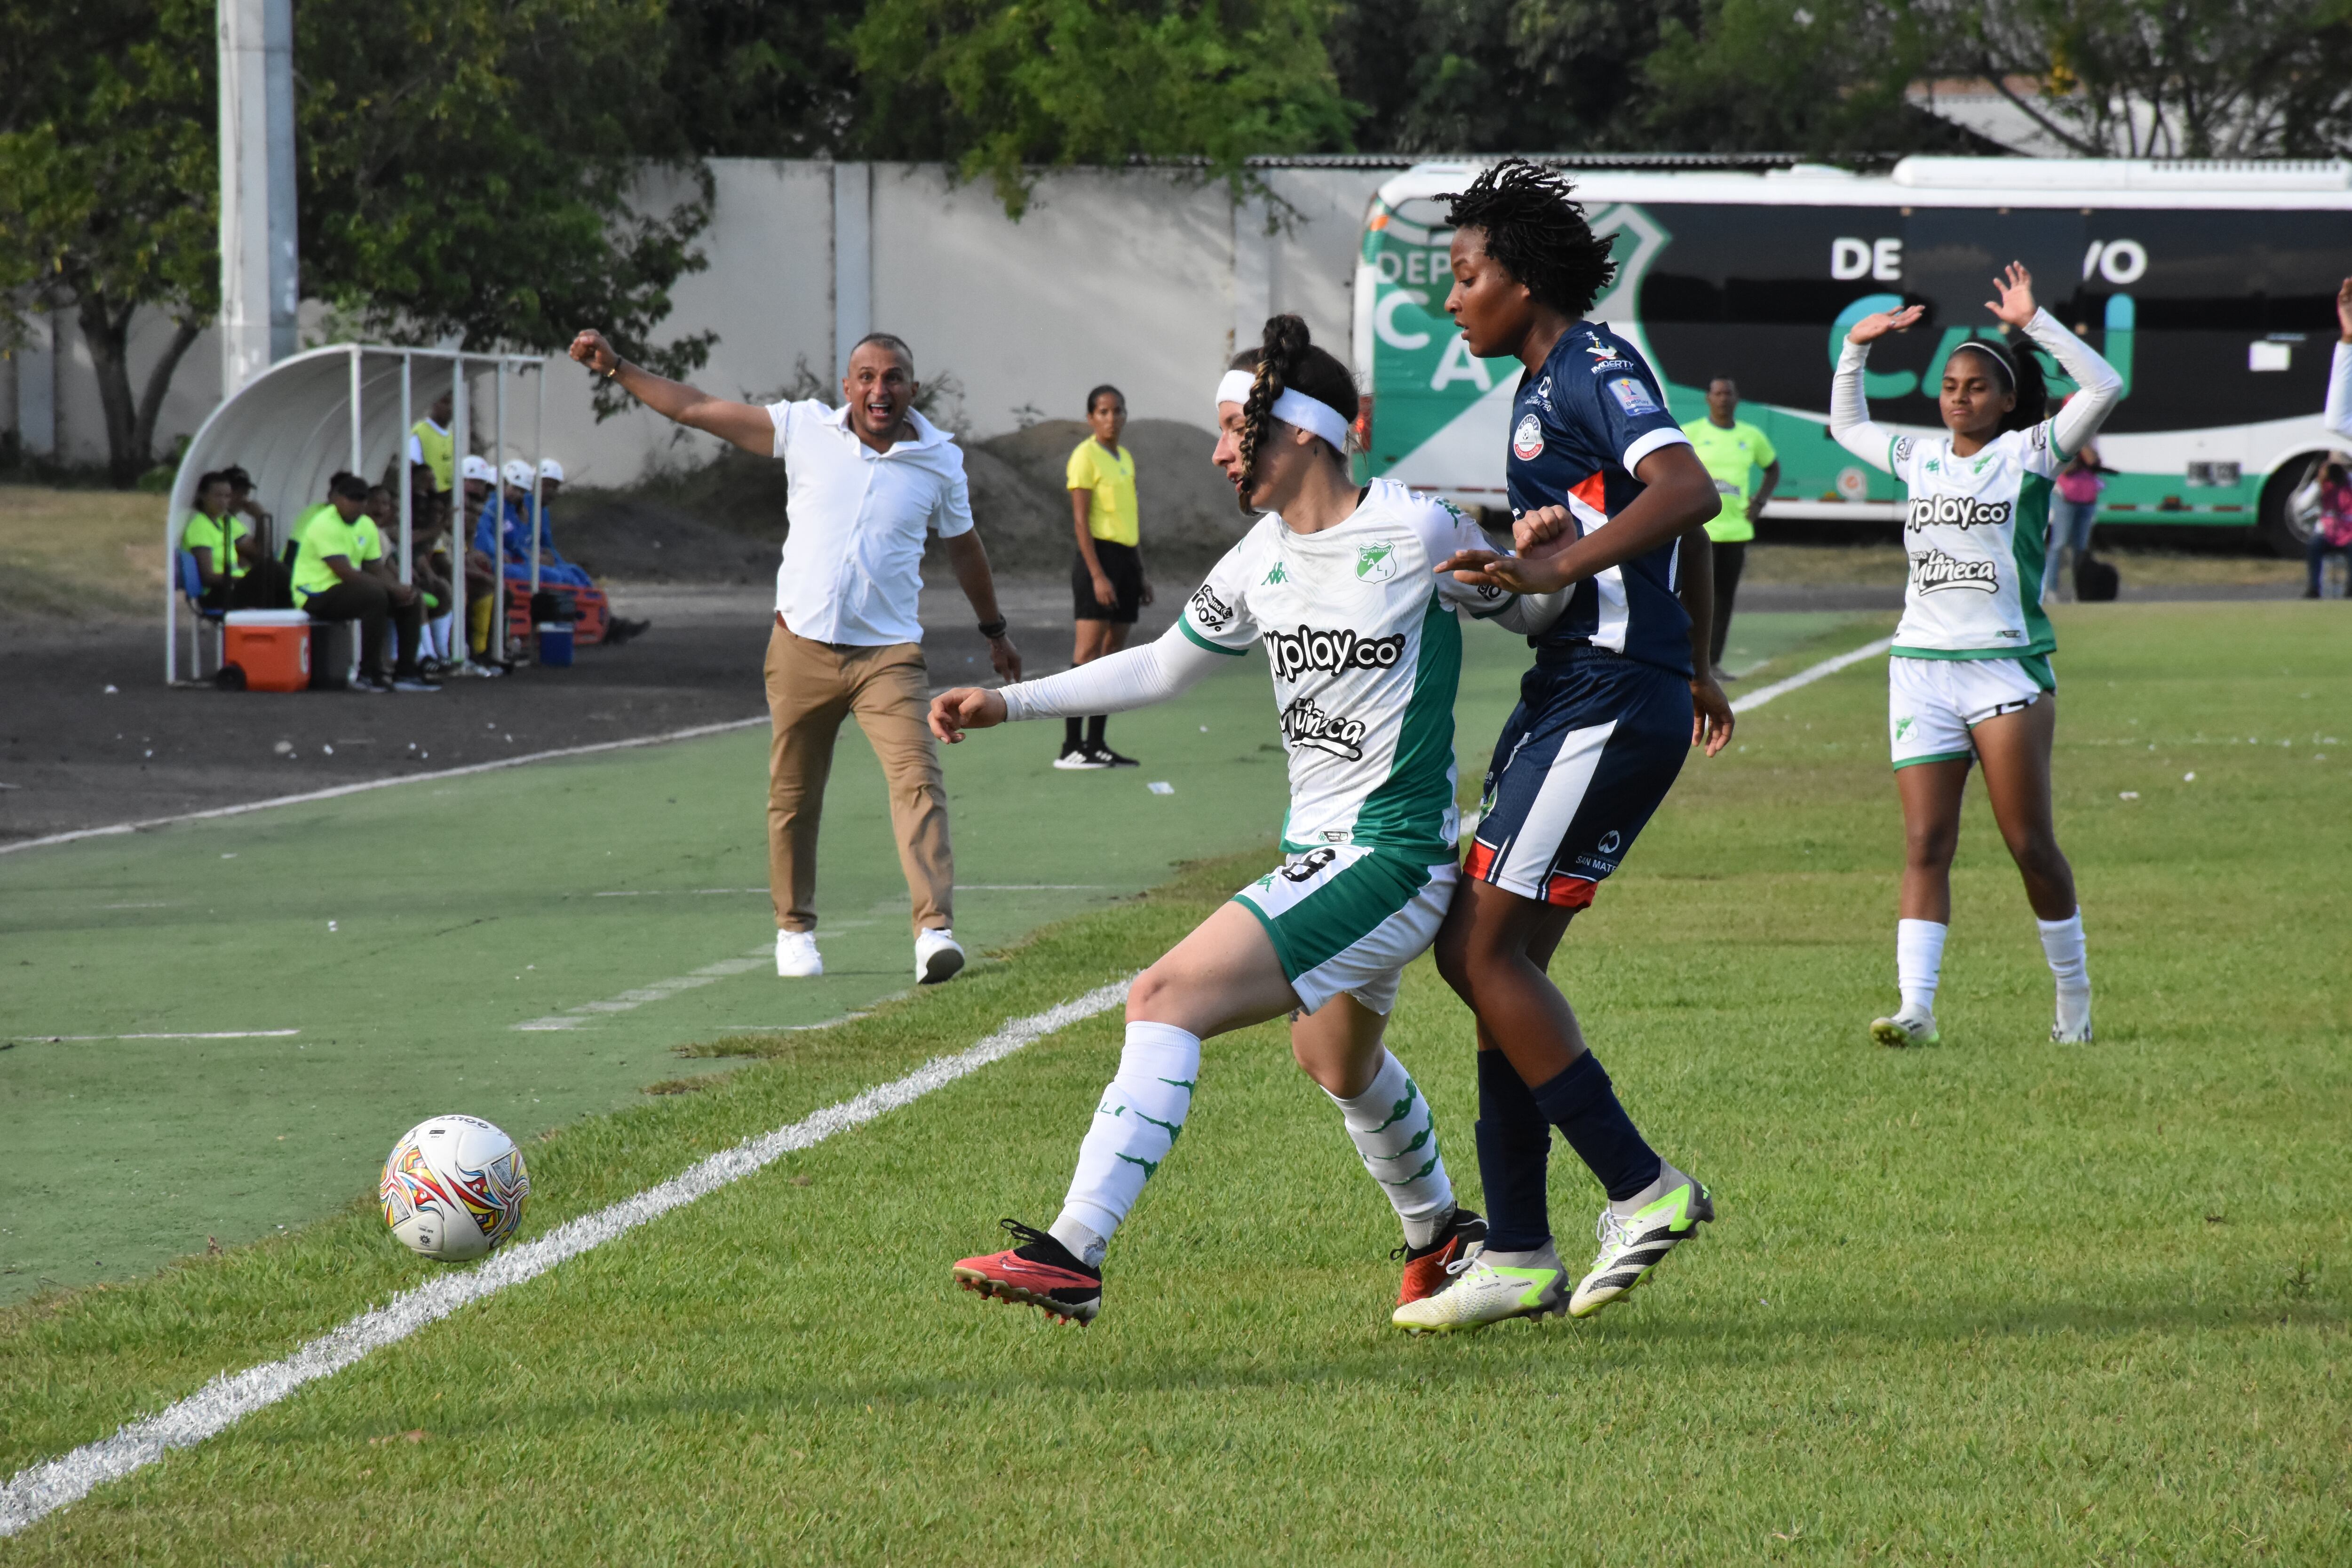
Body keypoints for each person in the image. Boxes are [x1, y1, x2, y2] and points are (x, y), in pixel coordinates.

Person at [934, 315, 1573, 1326]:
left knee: (1161, 995)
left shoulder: (1416, 526)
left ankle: (1073, 1251)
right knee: (1334, 1061)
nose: (1223, 450)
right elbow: (1157, 665)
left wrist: (1548, 557)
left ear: (1304, 433)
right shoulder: (1259, 556)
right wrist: (1008, 702)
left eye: (1237, 428)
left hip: (1390, 856)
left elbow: (1531, 613)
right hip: (1322, 854)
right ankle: (1443, 1233)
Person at [1388, 159, 1735, 1334]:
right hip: (1585, 687)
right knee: (1497, 969)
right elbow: (1640, 519)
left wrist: (1548, 565)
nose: (1453, 301)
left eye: (1466, 276)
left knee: (1477, 956)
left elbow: (1685, 490)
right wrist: (1669, 638)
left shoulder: (1591, 363)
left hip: (1600, 699)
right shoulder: (1542, 390)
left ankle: (1643, 1187)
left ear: (1521, 279)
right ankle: (1521, 1252)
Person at [568, 325, 1020, 985]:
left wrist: (994, 629)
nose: (879, 389)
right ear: (847, 387)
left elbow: (965, 549)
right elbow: (695, 409)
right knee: (794, 795)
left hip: (887, 658)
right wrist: (618, 370)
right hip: (800, 648)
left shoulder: (940, 461)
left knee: (918, 781)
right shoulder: (805, 429)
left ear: (913, 389)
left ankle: (934, 931)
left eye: (893, 377)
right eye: (866, 377)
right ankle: (795, 930)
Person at [1827, 262, 2122, 1050]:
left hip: (2005, 668)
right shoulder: (1921, 457)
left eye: (1976, 386)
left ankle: (2074, 997)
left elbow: (2104, 386)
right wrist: (1855, 350)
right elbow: (1848, 430)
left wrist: (2035, 323)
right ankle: (1916, 1007)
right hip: (1920, 667)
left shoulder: (2030, 453)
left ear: (2007, 400)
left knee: (2029, 844)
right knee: (1927, 843)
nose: (1959, 395)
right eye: (1952, 384)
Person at [1057, 385, 1151, 768]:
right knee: (1086, 656)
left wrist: (1140, 572)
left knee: (1112, 658)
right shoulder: (1085, 457)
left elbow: (1129, 519)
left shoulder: (1125, 457)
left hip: (1127, 560)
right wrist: (1098, 575)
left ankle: (1097, 744)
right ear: (1090, 418)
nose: (1111, 418)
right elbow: (1081, 520)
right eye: (1103, 411)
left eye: (1118, 411)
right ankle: (1071, 747)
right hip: (1098, 559)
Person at [288, 472, 437, 692]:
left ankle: (406, 671)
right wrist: (389, 589)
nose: (356, 505)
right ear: (337, 499)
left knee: (411, 597)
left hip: (346, 590)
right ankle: (368, 672)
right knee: (374, 595)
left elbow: (375, 568)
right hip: (314, 593)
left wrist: (399, 589)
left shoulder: (366, 525)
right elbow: (346, 573)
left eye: (361, 499)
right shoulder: (324, 524)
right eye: (351, 499)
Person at [1681, 377, 1778, 681]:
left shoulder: (1751, 436)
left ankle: (1712, 663)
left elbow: (1772, 467)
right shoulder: (1691, 433)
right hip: (1700, 532)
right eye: (1718, 393)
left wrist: (1760, 501)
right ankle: (1684, 659)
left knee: (1723, 599)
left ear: (1737, 399)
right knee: (1691, 597)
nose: (1723, 399)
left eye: (1728, 394)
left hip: (1736, 531)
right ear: (1708, 399)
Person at [180, 470, 290, 610]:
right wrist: (247, 581)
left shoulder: (224, 521)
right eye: (218, 496)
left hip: (235, 587)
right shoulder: (199, 526)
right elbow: (208, 577)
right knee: (273, 569)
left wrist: (260, 519)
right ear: (203, 496)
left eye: (227, 497)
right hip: (219, 593)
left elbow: (258, 553)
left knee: (280, 593)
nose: (223, 502)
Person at [2047, 434, 2104, 603]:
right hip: (2066, 498)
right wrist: (2078, 448)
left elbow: (2093, 461)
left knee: (2080, 548)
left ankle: (2079, 591)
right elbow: (2066, 469)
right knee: (2059, 544)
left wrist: (2085, 445)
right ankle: (2052, 589)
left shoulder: (2090, 444)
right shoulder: (2066, 444)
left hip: (2087, 499)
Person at [2304, 455, 2352, 597]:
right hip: (2327, 533)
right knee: (2314, 544)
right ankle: (2314, 588)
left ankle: (2350, 589)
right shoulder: (2322, 485)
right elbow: (2302, 506)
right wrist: (2318, 483)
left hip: (2349, 534)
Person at [407, 390, 456, 499]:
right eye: (446, 402)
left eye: (453, 403)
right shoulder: (419, 432)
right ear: (433, 403)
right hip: (429, 501)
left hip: (449, 499)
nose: (450, 408)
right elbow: (414, 468)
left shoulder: (452, 437)